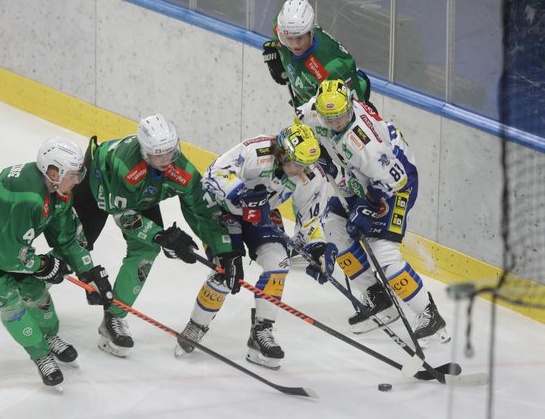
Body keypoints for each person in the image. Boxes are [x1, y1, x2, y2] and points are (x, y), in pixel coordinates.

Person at [0, 138, 114, 388]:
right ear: (52, 172)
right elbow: (12, 257)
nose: (78, 180)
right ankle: (41, 354)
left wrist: (88, 272)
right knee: (6, 295)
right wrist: (44, 266)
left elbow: (68, 238)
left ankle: (49, 337)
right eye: (73, 174)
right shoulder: (26, 196)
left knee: (35, 289)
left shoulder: (59, 191)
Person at [71, 113, 243, 358]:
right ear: (143, 152)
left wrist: (224, 249)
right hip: (97, 185)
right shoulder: (126, 167)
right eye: (158, 155)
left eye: (171, 152)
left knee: (146, 250)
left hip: (141, 193)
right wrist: (161, 236)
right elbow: (123, 215)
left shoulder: (178, 167)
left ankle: (113, 319)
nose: (167, 160)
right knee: (74, 247)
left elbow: (202, 211)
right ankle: (33, 288)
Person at [297, 79, 450, 344]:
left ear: (350, 107)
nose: (335, 124)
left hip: (395, 184)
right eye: (329, 119)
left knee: (383, 252)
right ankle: (379, 299)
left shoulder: (365, 143)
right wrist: (318, 150)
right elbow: (300, 121)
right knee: (333, 227)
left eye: (341, 117)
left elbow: (396, 180)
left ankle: (429, 315)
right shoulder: (315, 110)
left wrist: (367, 209)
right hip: (362, 176)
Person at [175, 124, 337, 370]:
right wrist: (240, 195)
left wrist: (317, 248)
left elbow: (310, 218)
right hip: (224, 209)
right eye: (297, 164)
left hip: (261, 214)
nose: (302, 171)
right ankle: (196, 326)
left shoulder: (310, 175)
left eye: (307, 165)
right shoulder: (256, 151)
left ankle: (260, 334)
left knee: (279, 262)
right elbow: (213, 174)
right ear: (282, 153)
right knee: (225, 271)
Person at [262, 0, 374, 108]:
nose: (295, 45)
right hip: (307, 109)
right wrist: (274, 52)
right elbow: (277, 39)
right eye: (289, 39)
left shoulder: (332, 68)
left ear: (311, 31)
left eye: (300, 38)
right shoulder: (279, 26)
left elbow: (354, 112)